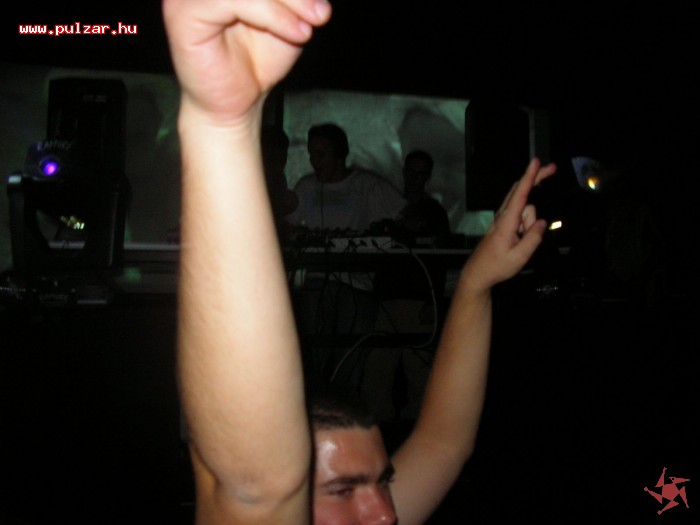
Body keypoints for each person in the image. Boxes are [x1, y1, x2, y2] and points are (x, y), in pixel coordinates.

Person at [163, 2, 556, 525]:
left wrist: (476, 281)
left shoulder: (369, 185)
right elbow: (259, 486)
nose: (384, 514)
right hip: (316, 285)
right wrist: (222, 125)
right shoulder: (306, 187)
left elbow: (443, 442)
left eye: (383, 479)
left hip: (356, 287)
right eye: (343, 489)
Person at [286, 122, 406, 232]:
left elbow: (405, 215)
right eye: (312, 155)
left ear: (339, 154)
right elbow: (288, 224)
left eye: (321, 155)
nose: (314, 161)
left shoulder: (369, 184)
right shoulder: (305, 187)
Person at [261, 124, 298, 242]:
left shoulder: (278, 178)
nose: (280, 162)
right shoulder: (253, 180)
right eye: (273, 157)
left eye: (283, 157)